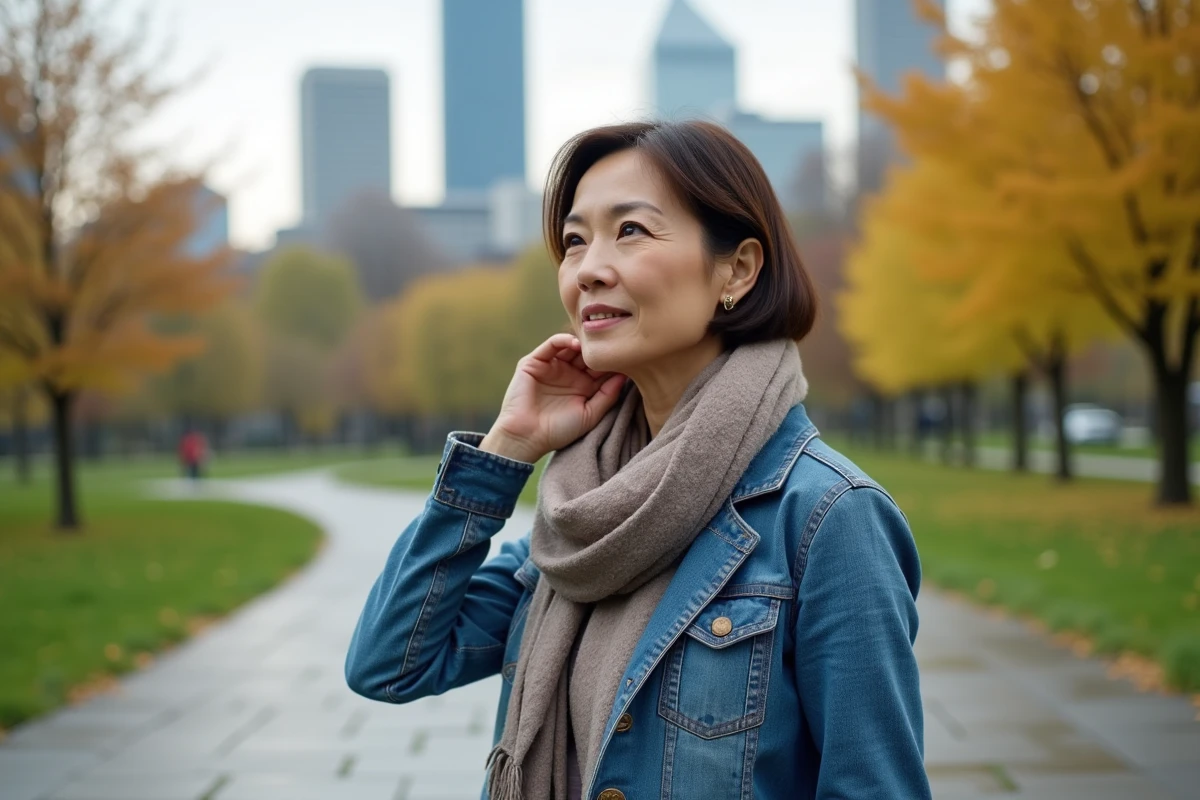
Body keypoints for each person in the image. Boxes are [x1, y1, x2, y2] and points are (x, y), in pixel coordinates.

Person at [345, 120, 930, 800]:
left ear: (737, 269)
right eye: (574, 240)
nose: (589, 268)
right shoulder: (580, 519)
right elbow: (390, 663)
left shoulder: (827, 519)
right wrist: (506, 447)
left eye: (630, 230)